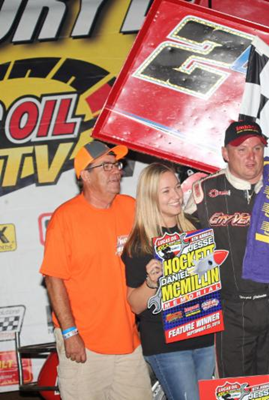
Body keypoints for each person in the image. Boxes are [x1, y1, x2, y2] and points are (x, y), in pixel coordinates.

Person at [185, 121, 269, 378]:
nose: (251, 156)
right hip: (231, 308)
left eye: (257, 148)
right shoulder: (203, 191)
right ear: (225, 153)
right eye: (241, 149)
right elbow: (185, 253)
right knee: (235, 389)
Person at [39, 141, 152, 400]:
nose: (117, 171)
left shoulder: (130, 207)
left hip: (128, 342)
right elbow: (53, 279)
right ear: (85, 176)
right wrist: (70, 334)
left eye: (118, 164)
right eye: (107, 166)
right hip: (86, 344)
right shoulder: (65, 219)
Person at [122, 163, 214, 400]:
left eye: (176, 187)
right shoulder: (139, 245)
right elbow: (134, 305)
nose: (176, 195)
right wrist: (151, 282)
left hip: (204, 337)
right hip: (167, 345)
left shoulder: (196, 229)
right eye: (166, 191)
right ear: (150, 197)